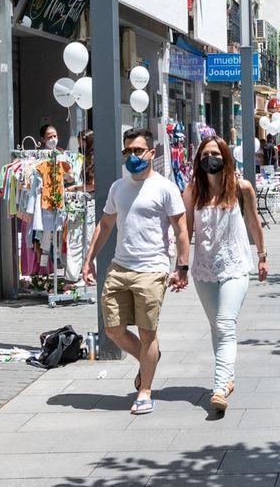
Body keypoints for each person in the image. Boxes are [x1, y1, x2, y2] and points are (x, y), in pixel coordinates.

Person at [82, 127, 190, 415]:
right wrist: (89, 258)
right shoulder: (118, 187)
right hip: (120, 266)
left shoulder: (165, 187)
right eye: (128, 151)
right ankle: (148, 359)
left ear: (151, 153)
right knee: (113, 330)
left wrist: (182, 267)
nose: (132, 156)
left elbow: (181, 230)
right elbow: (105, 225)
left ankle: (145, 390)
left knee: (146, 333)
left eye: (138, 150)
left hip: (152, 270)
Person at [181, 136, 268, 413]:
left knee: (225, 323)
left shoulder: (242, 188)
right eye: (205, 154)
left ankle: (219, 388)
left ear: (226, 157)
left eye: (215, 153)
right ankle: (228, 378)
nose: (210, 158)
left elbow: (254, 222)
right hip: (204, 270)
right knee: (217, 327)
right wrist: (180, 267)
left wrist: (262, 257)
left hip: (235, 266)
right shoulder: (193, 191)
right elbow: (186, 232)